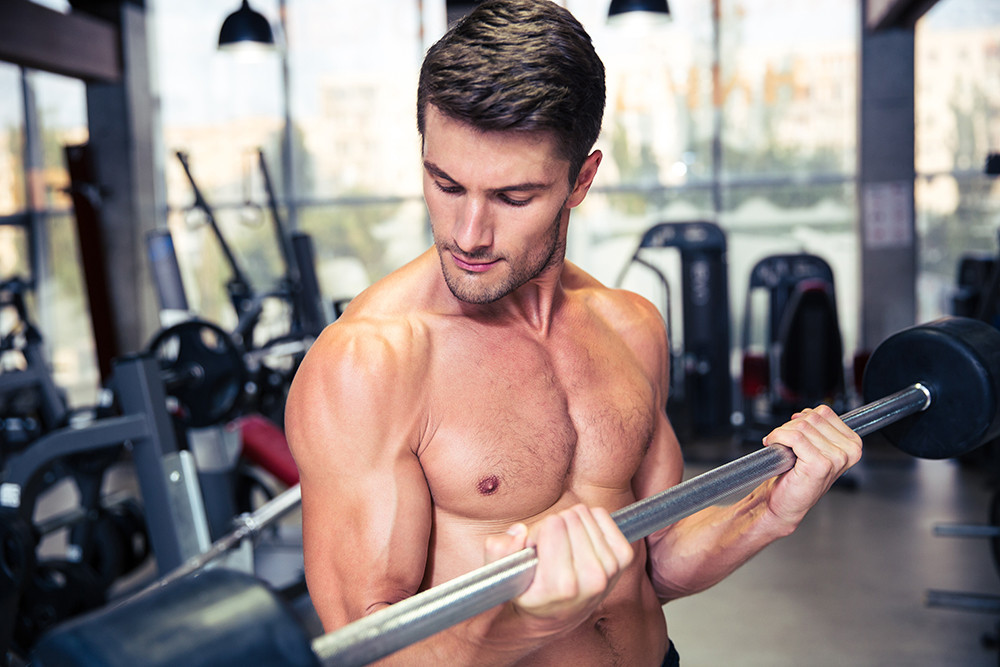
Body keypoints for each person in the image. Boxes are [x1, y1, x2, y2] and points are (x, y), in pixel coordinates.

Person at [284, 1, 863, 664]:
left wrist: (768, 510)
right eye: (445, 184)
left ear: (581, 180)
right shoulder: (370, 363)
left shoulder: (630, 327)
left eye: (513, 197)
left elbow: (653, 559)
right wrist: (526, 623)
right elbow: (367, 650)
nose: (468, 234)